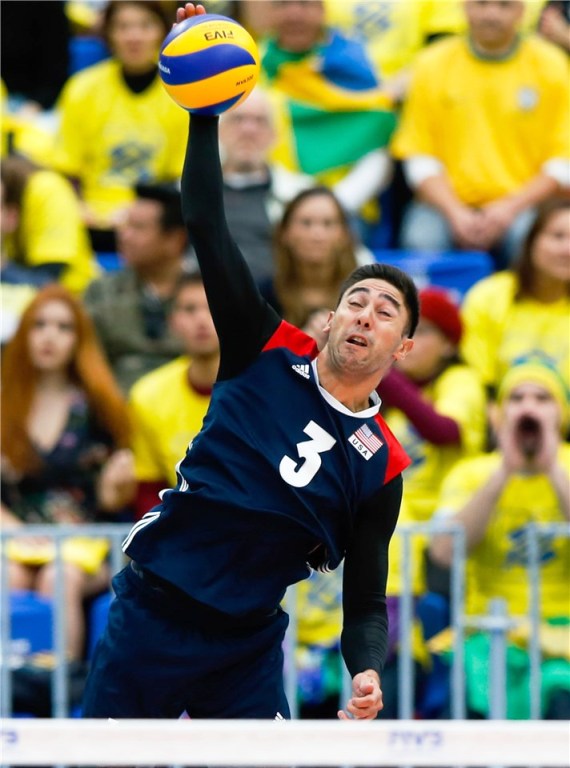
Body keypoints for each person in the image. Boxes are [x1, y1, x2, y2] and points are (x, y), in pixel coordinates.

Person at [82, 0, 420, 723]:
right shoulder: (262, 346)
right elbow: (206, 221)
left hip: (247, 644)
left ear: (403, 349)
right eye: (356, 300)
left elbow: (366, 599)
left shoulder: (382, 465)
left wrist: (365, 670)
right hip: (154, 613)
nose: (366, 314)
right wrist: (203, 107)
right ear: (329, 319)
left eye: (386, 311)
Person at [429, 356, 570, 719]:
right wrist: (505, 471)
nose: (528, 408)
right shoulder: (471, 473)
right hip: (488, 633)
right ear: (499, 414)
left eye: (542, 398)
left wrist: (552, 468)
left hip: (563, 636)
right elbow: (443, 552)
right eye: (517, 398)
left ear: (561, 412)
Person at [0, 284, 135, 661]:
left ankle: (61, 683)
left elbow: (113, 501)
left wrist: (117, 489)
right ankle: (15, 681)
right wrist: (17, 530)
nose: (50, 336)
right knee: (9, 573)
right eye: (39, 325)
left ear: (80, 339)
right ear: (24, 334)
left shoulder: (101, 405)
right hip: (16, 536)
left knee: (58, 576)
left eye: (63, 327)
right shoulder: (4, 403)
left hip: (87, 541)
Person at [391, 0, 569, 269]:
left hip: (525, 204)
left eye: (504, 5)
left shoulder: (552, 65)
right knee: (421, 239)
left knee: (532, 240)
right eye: (481, 3)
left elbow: (561, 162)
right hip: (445, 203)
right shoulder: (431, 63)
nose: (491, 14)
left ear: (521, 11)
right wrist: (455, 212)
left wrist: (508, 208)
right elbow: (418, 156)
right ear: (464, 7)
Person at [50, 0, 188, 252]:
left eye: (145, 26)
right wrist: (79, 208)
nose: (134, 37)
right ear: (109, 34)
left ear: (163, 32)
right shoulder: (82, 88)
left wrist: (138, 214)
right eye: (123, 27)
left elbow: (179, 178)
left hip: (155, 224)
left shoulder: (181, 93)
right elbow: (65, 171)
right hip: (91, 221)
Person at [259, 0, 396, 242]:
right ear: (269, 12)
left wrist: (331, 207)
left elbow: (378, 132)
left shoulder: (354, 63)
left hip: (346, 203)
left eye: (305, 4)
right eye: (284, 4)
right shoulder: (248, 64)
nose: (294, 14)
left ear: (323, 11)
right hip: (268, 194)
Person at [128, 270, 220, 521]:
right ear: (173, 321)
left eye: (212, 307)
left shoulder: (262, 389)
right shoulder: (147, 395)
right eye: (189, 309)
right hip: (182, 528)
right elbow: (149, 488)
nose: (201, 319)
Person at [83, 182, 190, 394]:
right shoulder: (100, 292)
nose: (124, 236)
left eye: (138, 228)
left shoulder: (207, 295)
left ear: (175, 240)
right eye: (125, 226)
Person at [460, 197, 570, 401]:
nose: (567, 250)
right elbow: (476, 376)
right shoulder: (488, 296)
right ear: (531, 241)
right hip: (496, 412)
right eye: (558, 236)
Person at [219, 86, 315, 284]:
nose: (248, 130)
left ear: (274, 135)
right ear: (219, 131)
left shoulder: (302, 196)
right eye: (238, 119)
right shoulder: (185, 193)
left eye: (260, 121)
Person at [259, 186, 360, 330]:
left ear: (344, 235)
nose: (317, 235)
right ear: (284, 232)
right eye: (306, 223)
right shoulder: (262, 296)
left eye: (328, 223)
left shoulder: (363, 296)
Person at [0, 154, 99, 295]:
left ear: (11, 215)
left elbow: (47, 281)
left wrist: (2, 267)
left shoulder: (47, 190)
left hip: (73, 296)